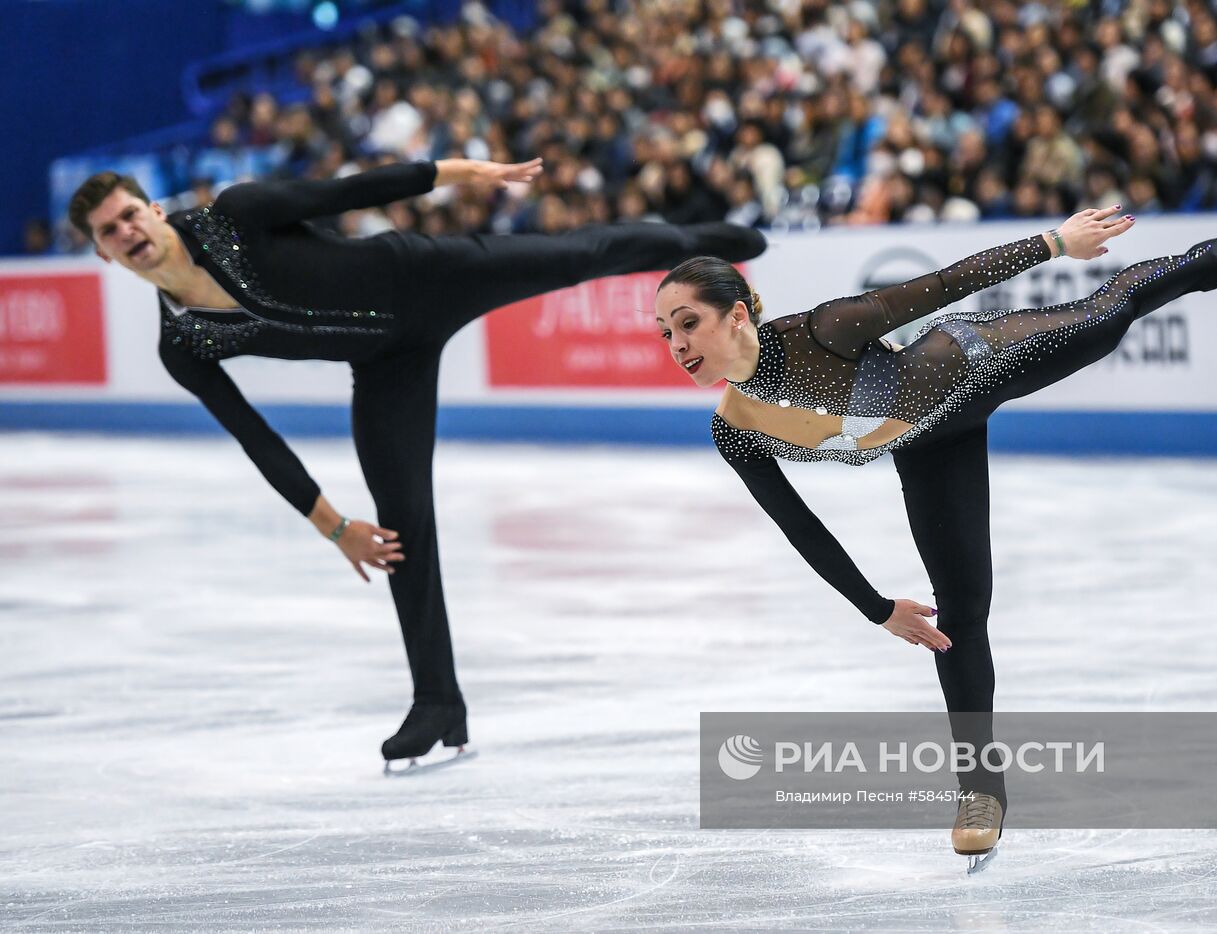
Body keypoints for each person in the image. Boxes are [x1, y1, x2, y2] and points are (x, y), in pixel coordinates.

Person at [653, 207, 1217, 869]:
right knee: (962, 613)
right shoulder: (735, 429)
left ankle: (1214, 260)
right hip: (930, 444)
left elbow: (945, 282)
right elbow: (799, 525)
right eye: (667, 333)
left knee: (1109, 318)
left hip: (971, 363)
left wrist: (1058, 241)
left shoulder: (822, 332)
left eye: (689, 323)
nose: (679, 345)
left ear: (737, 314)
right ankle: (980, 792)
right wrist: (876, 607)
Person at [68, 158, 767, 769]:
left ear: (153, 209)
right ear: (103, 254)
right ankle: (438, 701)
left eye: (130, 214)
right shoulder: (183, 344)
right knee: (402, 530)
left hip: (426, 276)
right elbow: (255, 437)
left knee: (576, 256)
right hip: (385, 366)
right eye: (110, 231)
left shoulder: (235, 215)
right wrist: (334, 525)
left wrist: (462, 173)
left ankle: (700, 244)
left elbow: (351, 191)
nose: (128, 232)